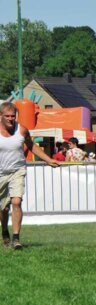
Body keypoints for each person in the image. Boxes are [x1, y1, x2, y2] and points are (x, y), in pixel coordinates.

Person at [0, 102, 60, 249]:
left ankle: (16, 239)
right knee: (3, 209)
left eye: (13, 116)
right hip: (1, 173)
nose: (10, 119)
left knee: (16, 201)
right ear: (0, 116)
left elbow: (32, 146)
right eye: (7, 116)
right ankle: (4, 232)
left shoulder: (22, 130)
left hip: (17, 171)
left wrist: (48, 160)